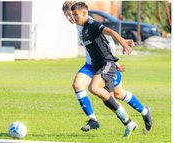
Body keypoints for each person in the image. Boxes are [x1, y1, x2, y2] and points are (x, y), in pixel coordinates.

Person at [61, 1, 152, 133]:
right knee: (77, 85)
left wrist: (115, 61)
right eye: (67, 16)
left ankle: (144, 111)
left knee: (118, 94)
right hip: (91, 65)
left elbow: (107, 40)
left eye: (71, 15)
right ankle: (93, 120)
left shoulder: (89, 22)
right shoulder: (78, 24)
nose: (70, 18)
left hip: (105, 63)